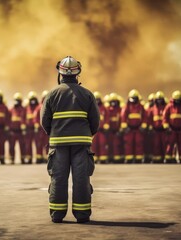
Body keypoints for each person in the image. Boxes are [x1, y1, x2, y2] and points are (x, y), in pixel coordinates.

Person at [41, 56, 100, 223]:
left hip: (59, 144)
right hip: (81, 144)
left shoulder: (52, 94)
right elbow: (95, 121)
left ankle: (57, 214)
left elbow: (44, 121)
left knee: (58, 178)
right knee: (81, 178)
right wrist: (87, 135)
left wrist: (55, 134)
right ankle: (82, 215)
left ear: (60, 74)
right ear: (77, 73)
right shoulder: (87, 94)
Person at [120, 89, 147, 164]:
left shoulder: (141, 106)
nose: (134, 100)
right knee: (128, 143)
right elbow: (123, 116)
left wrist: (143, 126)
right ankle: (129, 158)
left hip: (138, 129)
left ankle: (138, 158)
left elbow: (145, 116)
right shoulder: (127, 106)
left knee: (139, 143)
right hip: (129, 129)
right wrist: (125, 127)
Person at [163, 91, 181, 163]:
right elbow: (165, 116)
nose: (177, 101)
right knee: (170, 144)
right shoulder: (169, 106)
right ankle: (169, 158)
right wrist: (166, 126)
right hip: (172, 129)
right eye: (176, 100)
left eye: (178, 100)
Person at [148, 91, 167, 163]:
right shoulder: (153, 109)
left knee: (164, 144)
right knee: (156, 145)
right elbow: (150, 119)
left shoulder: (165, 108)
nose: (159, 101)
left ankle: (165, 157)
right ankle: (157, 159)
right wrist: (150, 127)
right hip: (155, 130)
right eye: (158, 100)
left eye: (160, 99)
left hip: (163, 130)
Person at [91, 91, 109, 164]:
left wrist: (106, 125)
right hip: (94, 131)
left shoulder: (104, 108)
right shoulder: (91, 107)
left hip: (102, 131)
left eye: (98, 99)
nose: (97, 101)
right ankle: (94, 158)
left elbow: (107, 117)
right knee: (94, 145)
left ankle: (103, 158)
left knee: (102, 144)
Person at [8, 92, 26, 164]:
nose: (16, 101)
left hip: (20, 131)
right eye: (16, 100)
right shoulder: (11, 109)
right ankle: (12, 159)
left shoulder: (23, 109)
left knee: (22, 146)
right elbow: (8, 119)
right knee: (11, 146)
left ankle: (23, 159)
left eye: (18, 100)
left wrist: (24, 127)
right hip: (13, 131)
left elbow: (25, 119)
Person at [33, 90, 49, 164]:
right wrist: (36, 125)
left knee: (47, 144)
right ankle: (39, 158)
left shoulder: (50, 106)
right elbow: (35, 117)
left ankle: (47, 158)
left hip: (46, 129)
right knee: (39, 144)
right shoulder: (39, 107)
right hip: (40, 130)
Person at [25, 91, 40, 164]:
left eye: (34, 99)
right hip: (29, 129)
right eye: (31, 99)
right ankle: (29, 158)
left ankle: (38, 158)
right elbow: (23, 118)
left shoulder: (38, 107)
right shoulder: (26, 108)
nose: (33, 101)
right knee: (28, 144)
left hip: (36, 130)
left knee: (38, 144)